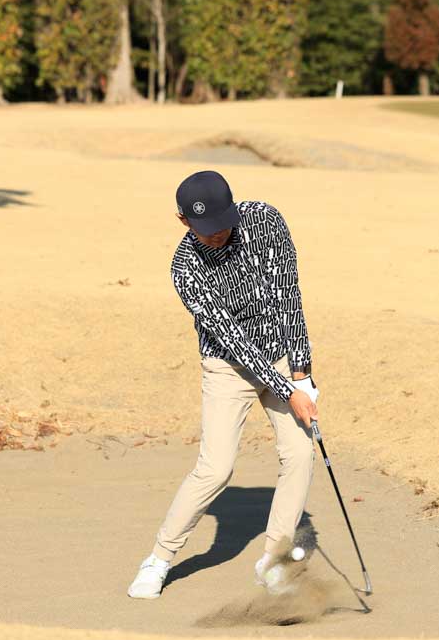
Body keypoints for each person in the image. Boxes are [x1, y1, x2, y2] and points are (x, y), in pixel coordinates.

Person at [127, 170, 319, 599]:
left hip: (280, 358)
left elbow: (288, 296)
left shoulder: (267, 221)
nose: (218, 235)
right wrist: (291, 391)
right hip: (227, 366)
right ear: (183, 221)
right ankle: (158, 559)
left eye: (223, 223)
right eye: (206, 229)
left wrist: (301, 373)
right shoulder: (185, 269)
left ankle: (275, 560)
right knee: (215, 468)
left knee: (300, 453)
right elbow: (231, 337)